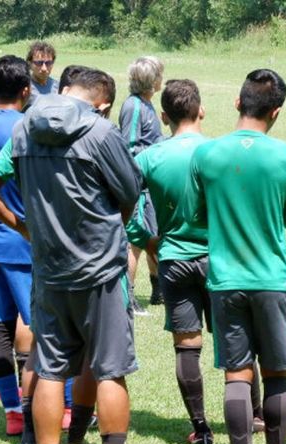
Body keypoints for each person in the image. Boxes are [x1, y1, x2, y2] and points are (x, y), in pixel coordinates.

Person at [0, 69, 142, 444]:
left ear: (63, 90)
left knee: (50, 368)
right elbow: (129, 192)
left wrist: (21, 225)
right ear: (103, 104)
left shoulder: (23, 128)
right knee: (110, 367)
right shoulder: (101, 132)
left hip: (48, 268)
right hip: (102, 272)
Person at [184, 69, 286, 444]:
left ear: (237, 102)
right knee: (275, 374)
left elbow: (193, 214)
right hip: (272, 279)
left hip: (224, 280)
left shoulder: (205, 154)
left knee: (236, 375)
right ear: (277, 112)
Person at [125, 78, 215, 444]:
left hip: (174, 259)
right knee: (236, 341)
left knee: (187, 346)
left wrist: (147, 241)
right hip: (219, 259)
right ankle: (254, 414)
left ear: (163, 116)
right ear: (201, 110)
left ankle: (201, 426)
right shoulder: (218, 152)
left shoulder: (148, 157)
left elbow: (123, 208)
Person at [0, 55, 32, 439]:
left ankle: (13, 411)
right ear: (26, 90)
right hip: (22, 240)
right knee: (32, 324)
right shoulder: (27, 128)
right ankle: (49, 405)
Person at [119, 56, 165, 313]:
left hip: (151, 183)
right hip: (138, 185)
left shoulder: (147, 104)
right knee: (134, 241)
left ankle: (158, 289)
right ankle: (129, 297)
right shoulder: (134, 107)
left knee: (153, 234)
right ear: (152, 80)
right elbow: (130, 146)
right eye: (159, 74)